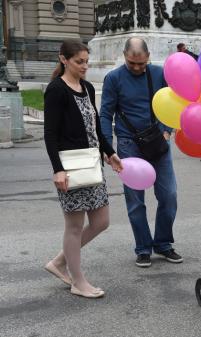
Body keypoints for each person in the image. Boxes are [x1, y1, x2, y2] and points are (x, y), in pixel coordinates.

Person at [43, 40, 123, 298]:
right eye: (80, 62)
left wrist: (110, 153)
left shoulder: (87, 88)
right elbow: (50, 134)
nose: (85, 66)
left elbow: (96, 128)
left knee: (101, 221)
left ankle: (58, 262)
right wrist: (58, 169)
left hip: (91, 164)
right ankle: (78, 281)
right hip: (70, 167)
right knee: (74, 226)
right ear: (63, 59)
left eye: (87, 61)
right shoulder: (56, 90)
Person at [100, 37, 183, 268]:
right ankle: (143, 248)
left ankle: (163, 244)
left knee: (169, 196)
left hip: (158, 140)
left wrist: (167, 130)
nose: (137, 68)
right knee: (135, 201)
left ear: (148, 57)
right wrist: (108, 148)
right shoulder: (114, 78)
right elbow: (105, 114)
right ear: (124, 56)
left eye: (141, 63)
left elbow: (175, 102)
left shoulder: (159, 74)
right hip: (128, 143)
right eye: (131, 63)